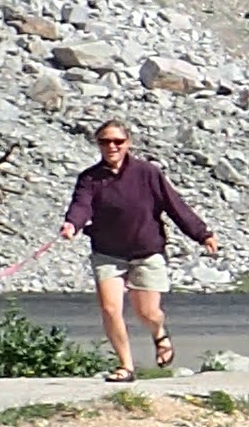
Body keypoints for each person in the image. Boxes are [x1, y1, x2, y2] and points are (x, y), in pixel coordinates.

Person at [59, 117, 217, 376]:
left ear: (128, 143)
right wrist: (72, 225)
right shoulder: (90, 178)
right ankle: (126, 366)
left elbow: (175, 206)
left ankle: (159, 333)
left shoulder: (147, 173)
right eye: (105, 142)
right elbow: (81, 205)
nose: (112, 146)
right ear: (98, 144)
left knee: (147, 313)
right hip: (108, 253)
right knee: (110, 309)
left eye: (117, 141)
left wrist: (202, 234)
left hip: (147, 252)